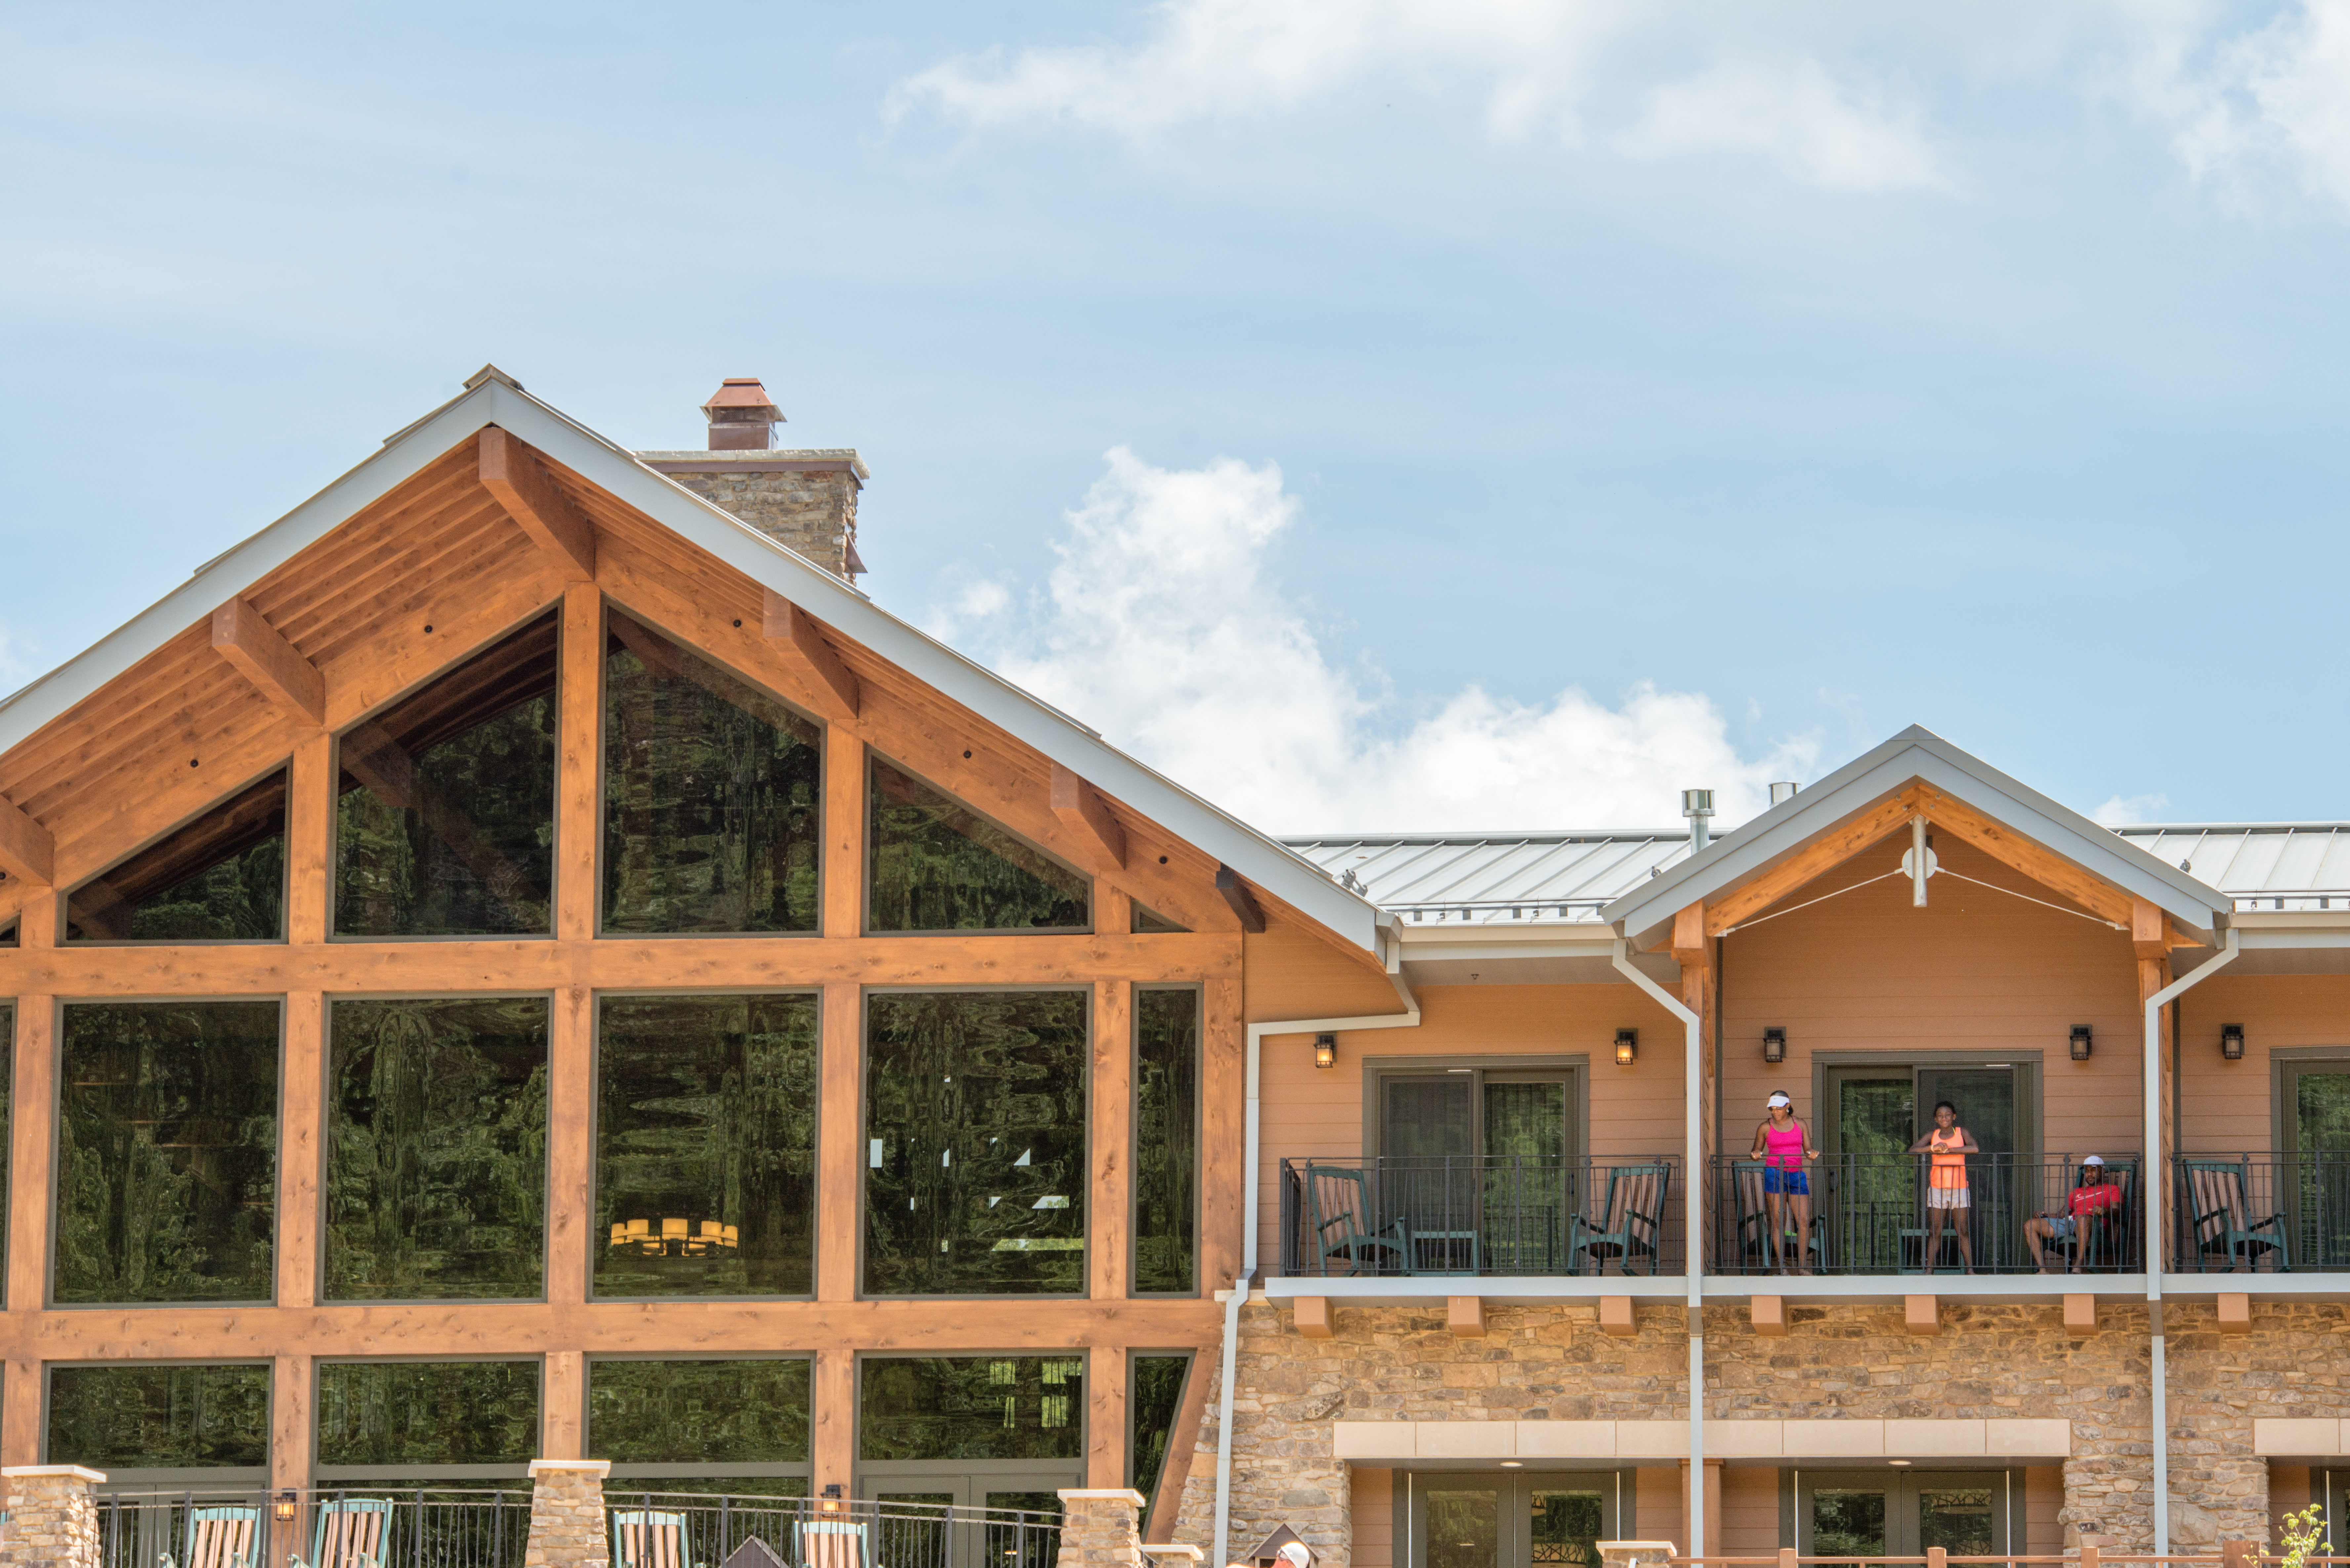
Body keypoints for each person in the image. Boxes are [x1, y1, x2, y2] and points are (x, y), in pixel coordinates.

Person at [1749, 1091, 1819, 1273]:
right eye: (1772, 1109)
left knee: (1803, 1220)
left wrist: (1812, 1153)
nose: (1775, 1112)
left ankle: (1802, 1268)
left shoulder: (1800, 1124)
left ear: (1788, 1106)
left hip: (1797, 1174)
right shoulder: (1765, 1127)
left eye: (1779, 1109)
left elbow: (1808, 1149)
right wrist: (1756, 1154)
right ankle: (1782, 1267)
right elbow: (1757, 1150)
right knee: (1779, 1220)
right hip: (1775, 1173)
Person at [1908, 1100, 1978, 1272]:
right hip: (1937, 1188)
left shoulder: (1962, 1133)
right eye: (1940, 1116)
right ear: (1936, 1119)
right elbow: (1912, 1150)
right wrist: (1934, 1148)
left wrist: (1949, 1150)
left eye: (1948, 1115)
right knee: (1935, 1231)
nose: (1944, 1118)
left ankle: (1970, 1270)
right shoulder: (1933, 1135)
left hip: (1959, 1187)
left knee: (1962, 1230)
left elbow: (1975, 1148)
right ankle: (1929, 1270)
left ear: (1954, 1117)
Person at [2027, 1155, 2125, 1272]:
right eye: (2087, 1171)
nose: (2089, 1174)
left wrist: (2105, 1210)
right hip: (2069, 1224)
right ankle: (2042, 1270)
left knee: (2082, 1219)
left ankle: (2078, 1267)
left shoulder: (2112, 1189)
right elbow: (2062, 1214)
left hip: (2093, 1225)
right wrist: (2046, 1215)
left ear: (2103, 1171)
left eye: (2093, 1170)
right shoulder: (2077, 1192)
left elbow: (2118, 1211)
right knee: (2030, 1225)